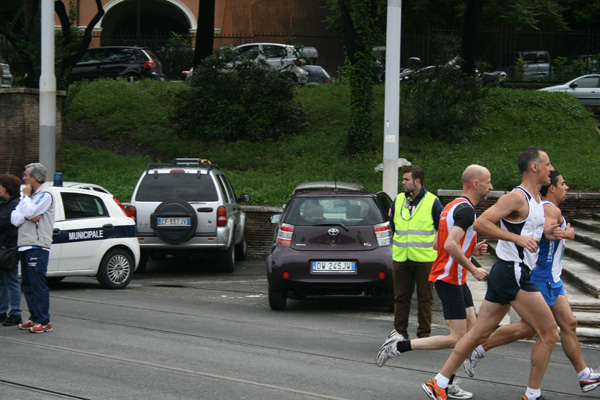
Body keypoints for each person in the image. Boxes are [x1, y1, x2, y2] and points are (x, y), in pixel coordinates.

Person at [422, 146, 563, 400]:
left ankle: (439, 382)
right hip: (514, 273)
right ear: (534, 167)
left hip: (507, 273)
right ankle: (533, 395)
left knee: (477, 333)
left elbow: (528, 232)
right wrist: (516, 238)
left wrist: (546, 235)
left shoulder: (538, 201)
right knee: (550, 332)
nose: (551, 169)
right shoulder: (517, 197)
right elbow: (481, 222)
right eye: (548, 164)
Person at [463, 170, 600, 393]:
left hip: (552, 279)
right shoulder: (547, 208)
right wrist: (552, 233)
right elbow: (541, 231)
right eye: (563, 184)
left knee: (568, 324)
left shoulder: (543, 207)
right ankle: (481, 351)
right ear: (552, 188)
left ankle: (584, 375)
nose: (567, 188)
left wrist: (562, 233)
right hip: (540, 277)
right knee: (534, 330)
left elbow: (549, 232)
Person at [377, 165, 492, 400]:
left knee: (472, 334)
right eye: (488, 182)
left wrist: (472, 250)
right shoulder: (466, 211)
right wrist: (473, 267)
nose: (491, 186)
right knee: (457, 338)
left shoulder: (450, 207)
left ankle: (446, 382)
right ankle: (399, 346)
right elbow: (449, 245)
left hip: (456, 278)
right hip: (449, 279)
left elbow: (437, 244)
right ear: (475, 183)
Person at [386, 165, 444, 341]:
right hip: (401, 257)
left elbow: (441, 229)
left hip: (425, 259)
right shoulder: (398, 200)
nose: (403, 183)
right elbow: (393, 226)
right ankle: (400, 332)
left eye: (406, 179)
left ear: (417, 181)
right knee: (401, 297)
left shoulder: (433, 202)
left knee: (425, 298)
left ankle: (423, 334)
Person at [11, 163, 55, 333]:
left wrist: (26, 203)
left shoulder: (46, 194)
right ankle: (34, 316)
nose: (23, 178)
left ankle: (44, 320)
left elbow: (28, 212)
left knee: (37, 283)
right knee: (28, 284)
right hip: (24, 244)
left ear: (34, 178)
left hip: (37, 245)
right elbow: (15, 218)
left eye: (26, 175)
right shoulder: (32, 196)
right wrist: (27, 213)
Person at [0, 174, 24, 326]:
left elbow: (3, 222)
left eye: (1, 186)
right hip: (2, 246)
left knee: (11, 280)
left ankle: (16, 312)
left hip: (10, 247)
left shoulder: (15, 204)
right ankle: (2, 311)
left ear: (7, 188)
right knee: (1, 281)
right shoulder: (3, 202)